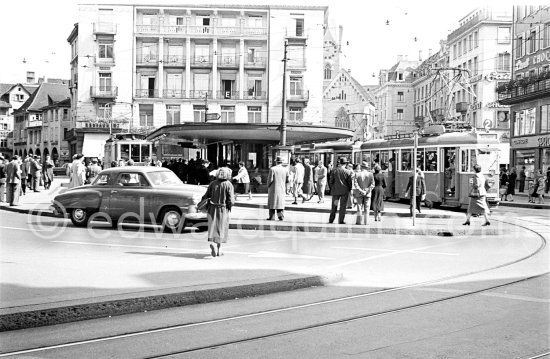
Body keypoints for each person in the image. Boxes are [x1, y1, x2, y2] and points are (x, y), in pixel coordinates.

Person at [201, 167, 234, 257]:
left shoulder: (212, 184)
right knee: (221, 228)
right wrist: (229, 207)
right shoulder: (228, 185)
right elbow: (231, 200)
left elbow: (205, 196)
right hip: (223, 209)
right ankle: (219, 249)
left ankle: (215, 245)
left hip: (212, 209)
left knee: (213, 228)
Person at [328, 157, 353, 224]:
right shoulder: (348, 171)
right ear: (345, 164)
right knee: (343, 206)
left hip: (336, 192)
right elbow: (350, 182)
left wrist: (332, 188)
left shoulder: (334, 170)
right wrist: (349, 189)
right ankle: (341, 220)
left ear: (339, 163)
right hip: (344, 191)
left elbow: (331, 181)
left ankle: (331, 219)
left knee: (334, 205)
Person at [267, 156, 288, 221]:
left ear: (276, 162)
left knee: (272, 203)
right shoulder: (285, 169)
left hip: (273, 188)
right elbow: (287, 180)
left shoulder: (272, 169)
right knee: (280, 203)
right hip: (282, 188)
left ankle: (272, 216)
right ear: (281, 162)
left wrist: (268, 186)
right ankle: (280, 216)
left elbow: (270, 180)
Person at [353, 161, 375, 225]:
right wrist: (367, 190)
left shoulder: (357, 174)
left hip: (359, 193)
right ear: (367, 167)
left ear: (361, 167)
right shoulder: (370, 174)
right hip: (367, 194)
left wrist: (361, 190)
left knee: (359, 207)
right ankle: (366, 221)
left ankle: (359, 221)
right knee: (367, 208)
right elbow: (372, 184)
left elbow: (355, 184)